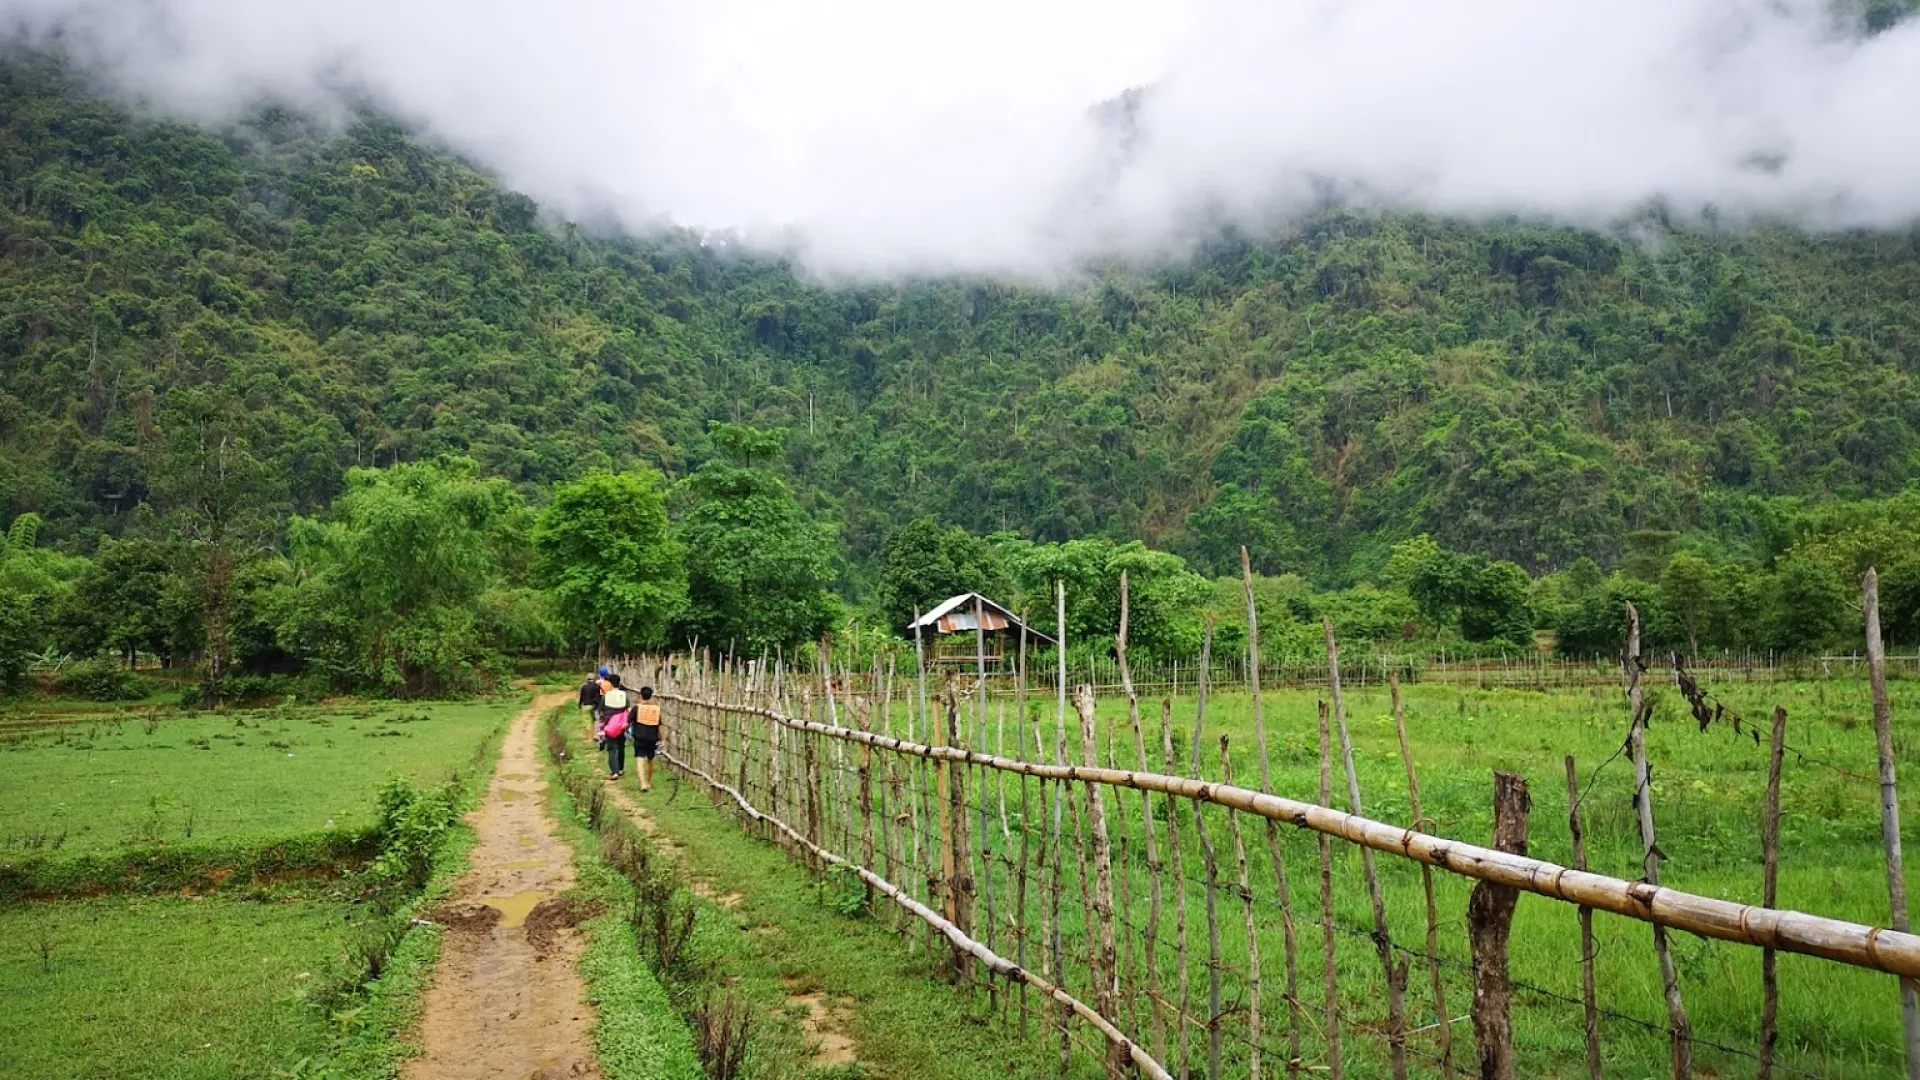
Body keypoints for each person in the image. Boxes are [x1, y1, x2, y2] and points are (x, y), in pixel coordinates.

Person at [594, 670, 632, 780]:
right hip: (621, 726)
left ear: (610, 683)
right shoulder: (624, 695)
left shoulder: (606, 696)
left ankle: (614, 772)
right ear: (619, 683)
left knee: (611, 749)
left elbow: (601, 711)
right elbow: (628, 710)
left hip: (609, 726)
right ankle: (620, 769)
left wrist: (603, 723)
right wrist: (627, 724)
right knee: (621, 747)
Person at [629, 686, 661, 792]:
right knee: (650, 760)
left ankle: (642, 783)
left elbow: (627, 722)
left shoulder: (636, 708)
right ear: (651, 696)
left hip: (639, 737)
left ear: (640, 695)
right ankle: (648, 782)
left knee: (640, 759)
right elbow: (659, 725)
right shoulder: (656, 709)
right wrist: (662, 738)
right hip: (652, 738)